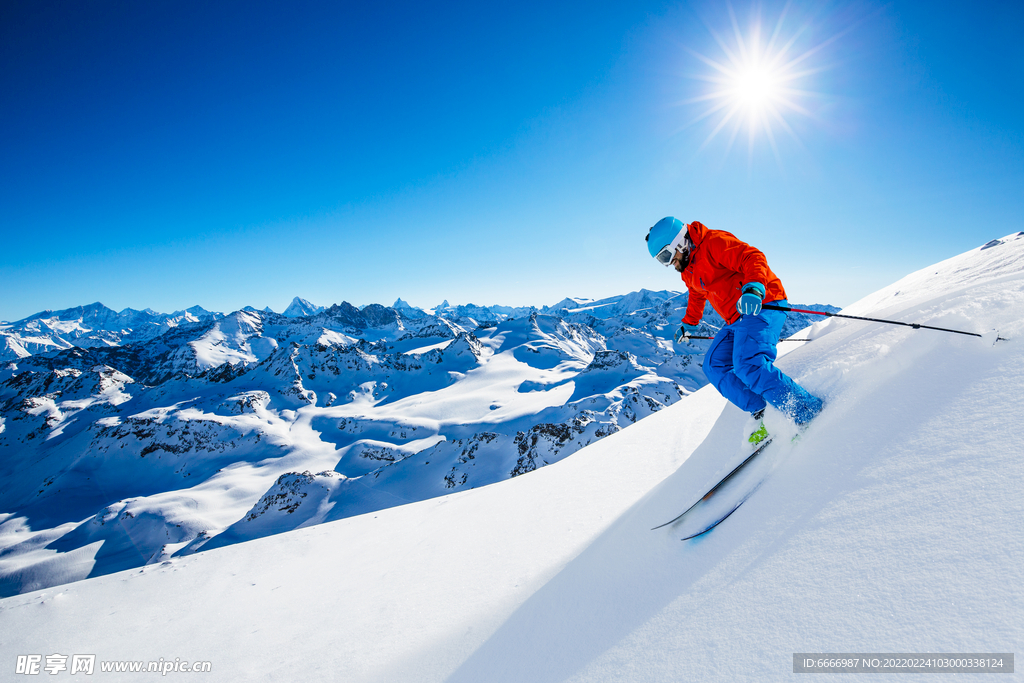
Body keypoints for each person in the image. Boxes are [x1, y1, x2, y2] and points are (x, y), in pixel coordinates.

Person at [645, 217, 823, 439]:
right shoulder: (688, 269)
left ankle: (806, 412)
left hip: (764, 303)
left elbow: (752, 257)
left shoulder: (713, 242)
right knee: (713, 365)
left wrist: (754, 288)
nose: (668, 263)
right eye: (662, 260)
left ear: (679, 242)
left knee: (748, 364)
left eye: (666, 256)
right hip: (735, 318)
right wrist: (688, 323)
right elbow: (697, 295)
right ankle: (763, 412)